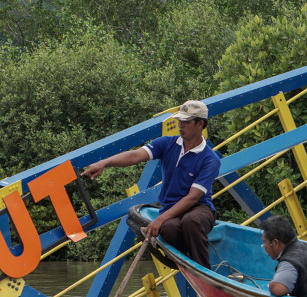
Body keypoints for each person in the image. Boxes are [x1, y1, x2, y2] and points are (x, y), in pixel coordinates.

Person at [82, 100, 220, 267]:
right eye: (179, 121)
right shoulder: (167, 143)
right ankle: (185, 260)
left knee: (191, 222)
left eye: (186, 122)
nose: (181, 125)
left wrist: (159, 219)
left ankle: (203, 269)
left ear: (200, 124)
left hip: (199, 209)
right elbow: (135, 156)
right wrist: (105, 163)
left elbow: (193, 198)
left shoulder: (210, 159)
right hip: (171, 208)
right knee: (168, 229)